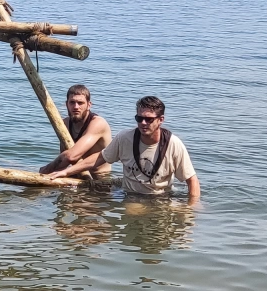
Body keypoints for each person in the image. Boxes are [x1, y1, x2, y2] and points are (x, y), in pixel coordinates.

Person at [47, 95, 200, 204]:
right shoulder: (125, 138)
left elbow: (191, 180)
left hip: (160, 198)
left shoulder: (173, 144)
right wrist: (66, 172)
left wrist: (192, 208)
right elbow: (100, 157)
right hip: (130, 195)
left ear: (161, 120)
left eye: (149, 119)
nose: (143, 123)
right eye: (139, 118)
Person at [40, 84, 113, 177]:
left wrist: (45, 170)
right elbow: (63, 159)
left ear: (89, 105)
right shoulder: (64, 124)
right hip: (75, 174)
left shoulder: (98, 123)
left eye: (80, 103)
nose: (76, 107)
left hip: (99, 177)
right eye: (72, 102)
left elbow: (71, 156)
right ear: (67, 104)